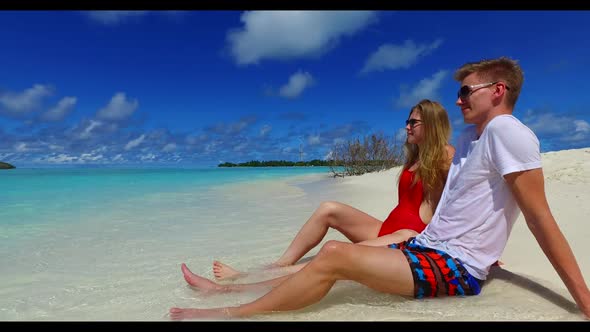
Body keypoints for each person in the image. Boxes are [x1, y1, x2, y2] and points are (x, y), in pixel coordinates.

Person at [169, 57, 590, 320]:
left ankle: (230, 313)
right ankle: (232, 289)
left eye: (466, 92)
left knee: (333, 256)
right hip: (430, 246)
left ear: (499, 91)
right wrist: (426, 235)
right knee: (326, 258)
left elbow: (538, 216)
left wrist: (584, 301)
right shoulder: (470, 139)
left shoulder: (506, 130)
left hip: (455, 267)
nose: (459, 100)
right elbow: (462, 204)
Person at [212, 99, 455, 280]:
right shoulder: (415, 157)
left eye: (413, 122)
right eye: (406, 122)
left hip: (408, 236)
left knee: (333, 255)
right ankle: (279, 265)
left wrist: (474, 250)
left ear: (432, 123)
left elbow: (467, 199)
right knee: (328, 208)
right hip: (386, 228)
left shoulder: (445, 155)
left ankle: (248, 277)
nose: (407, 127)